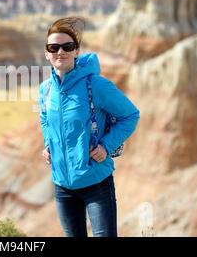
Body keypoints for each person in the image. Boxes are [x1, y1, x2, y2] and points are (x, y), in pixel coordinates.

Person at [39, 17, 140, 237]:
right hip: (63, 186)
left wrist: (106, 145)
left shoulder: (95, 84)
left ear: (76, 51)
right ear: (47, 53)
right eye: (53, 47)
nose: (60, 52)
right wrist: (48, 144)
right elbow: (45, 118)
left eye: (67, 46)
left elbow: (130, 115)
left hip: (97, 183)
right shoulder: (46, 89)